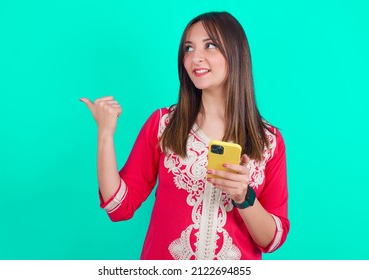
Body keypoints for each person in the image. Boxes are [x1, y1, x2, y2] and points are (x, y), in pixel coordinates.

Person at [80, 11, 289, 260]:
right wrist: (105, 134)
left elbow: (272, 239)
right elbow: (119, 206)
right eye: (189, 48)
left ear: (236, 54)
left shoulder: (269, 141)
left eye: (209, 45)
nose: (195, 58)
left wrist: (244, 198)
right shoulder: (164, 125)